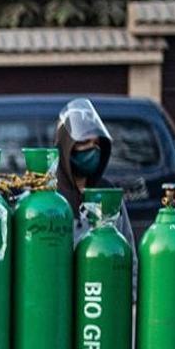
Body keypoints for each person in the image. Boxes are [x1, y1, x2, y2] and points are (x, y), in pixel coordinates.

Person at [55, 98, 135, 246]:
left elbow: (128, 249)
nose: (93, 149)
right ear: (66, 148)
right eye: (84, 142)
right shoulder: (50, 197)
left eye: (97, 144)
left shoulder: (108, 193)